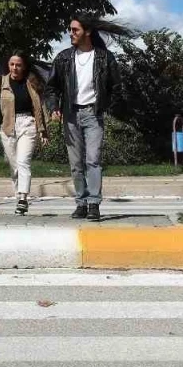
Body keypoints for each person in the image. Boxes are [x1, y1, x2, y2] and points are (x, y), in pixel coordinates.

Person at [46, 14, 129, 223]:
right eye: (70, 29)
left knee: (93, 160)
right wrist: (54, 106)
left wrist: (106, 107)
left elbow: (116, 87)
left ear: (87, 32)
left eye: (75, 30)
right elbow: (52, 87)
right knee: (76, 163)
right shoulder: (64, 57)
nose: (70, 33)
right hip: (71, 114)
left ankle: (94, 203)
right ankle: (81, 203)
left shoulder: (104, 57)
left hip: (93, 114)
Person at [0, 51, 48, 215]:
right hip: (7, 128)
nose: (15, 68)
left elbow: (40, 107)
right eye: (12, 64)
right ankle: (18, 195)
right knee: (14, 166)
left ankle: (23, 199)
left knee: (23, 161)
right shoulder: (0, 83)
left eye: (18, 65)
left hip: (27, 124)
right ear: (8, 66)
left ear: (24, 66)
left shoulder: (31, 82)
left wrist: (43, 130)